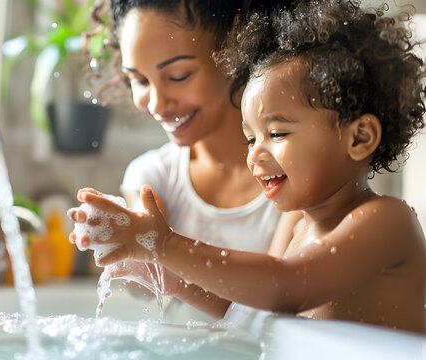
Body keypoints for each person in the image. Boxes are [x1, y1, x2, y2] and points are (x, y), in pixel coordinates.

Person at [69, 0, 426, 333]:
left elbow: (286, 286)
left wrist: (164, 244)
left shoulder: (385, 220)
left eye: (276, 133)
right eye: (251, 139)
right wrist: (175, 279)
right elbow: (257, 311)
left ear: (360, 137)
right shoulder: (303, 224)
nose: (255, 155)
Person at [71, 0, 301, 319]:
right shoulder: (152, 176)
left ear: (235, 46)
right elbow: (145, 281)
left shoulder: (299, 177)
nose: (156, 103)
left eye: (178, 75)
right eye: (139, 80)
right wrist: (125, 241)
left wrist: (162, 249)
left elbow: (277, 302)